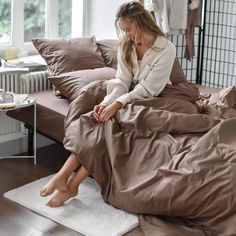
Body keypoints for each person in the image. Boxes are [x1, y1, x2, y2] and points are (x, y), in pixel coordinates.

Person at [40, 1, 176, 207]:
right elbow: (122, 82)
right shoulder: (125, 45)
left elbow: (148, 88)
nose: (127, 34)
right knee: (94, 121)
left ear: (141, 23)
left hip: (154, 98)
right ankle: (66, 177)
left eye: (128, 28)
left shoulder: (166, 49)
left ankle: (72, 183)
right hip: (128, 95)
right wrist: (106, 102)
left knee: (112, 127)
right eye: (123, 30)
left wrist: (117, 105)